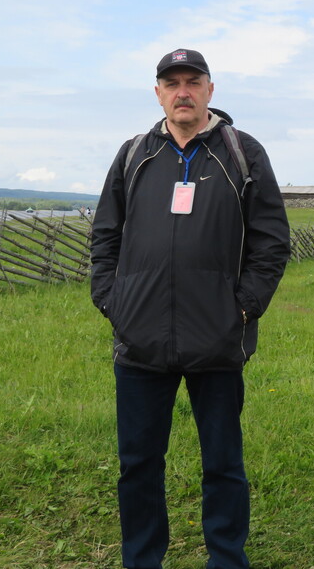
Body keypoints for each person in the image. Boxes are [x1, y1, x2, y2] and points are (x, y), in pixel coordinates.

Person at [90, 48, 290, 569]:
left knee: (223, 463)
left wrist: (243, 309)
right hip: (140, 340)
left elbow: (271, 242)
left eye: (192, 81)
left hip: (218, 337)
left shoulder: (241, 152)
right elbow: (105, 235)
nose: (183, 91)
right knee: (137, 464)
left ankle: (225, 559)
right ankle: (142, 560)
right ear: (158, 92)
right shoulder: (135, 154)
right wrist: (113, 302)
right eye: (171, 82)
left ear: (210, 90)